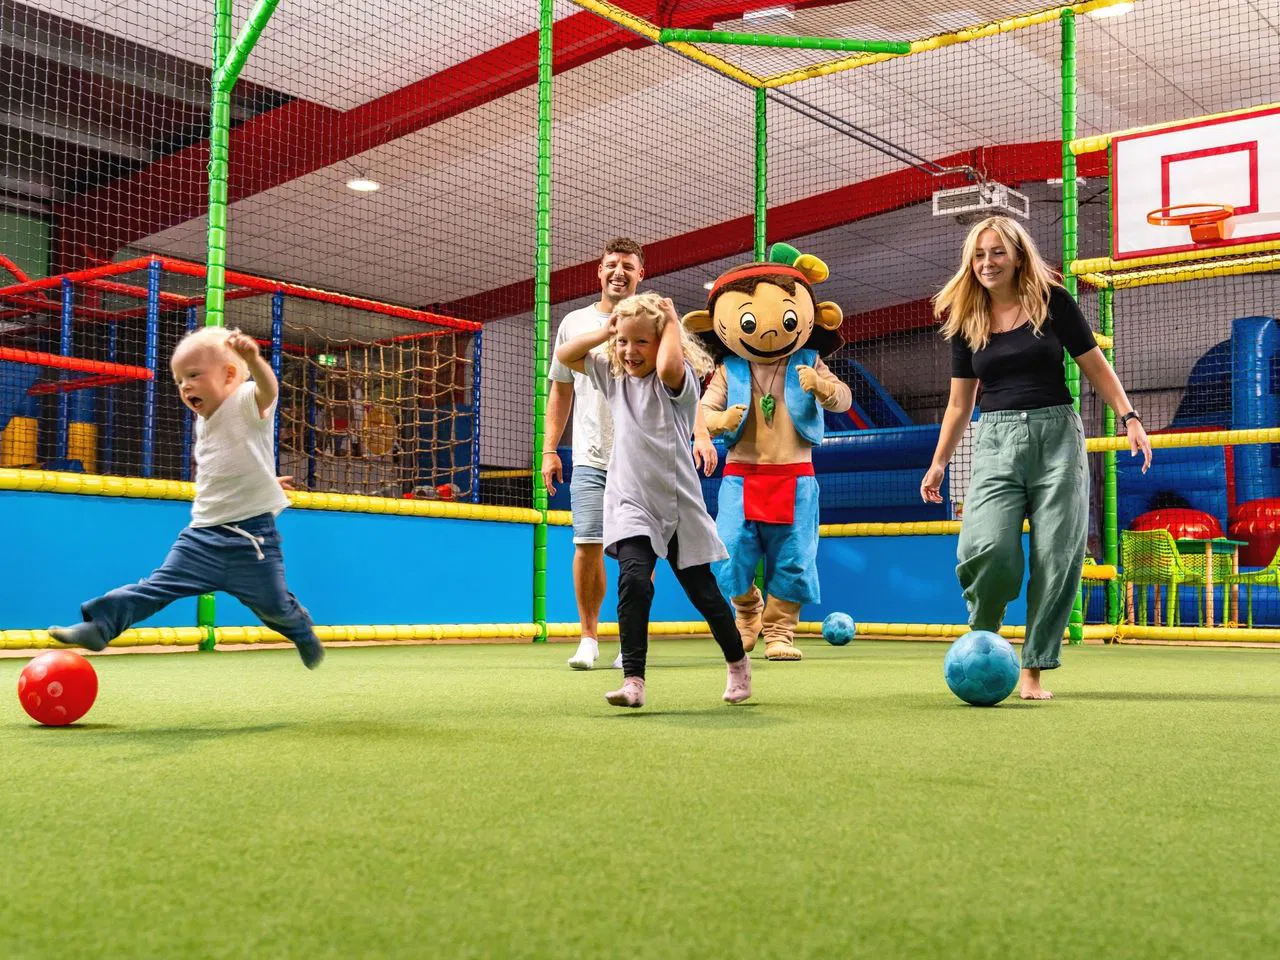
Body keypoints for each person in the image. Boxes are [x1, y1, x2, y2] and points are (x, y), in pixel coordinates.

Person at [921, 216, 1151, 700]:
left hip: (1056, 438)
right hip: (995, 441)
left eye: (997, 252)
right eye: (979, 254)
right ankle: (983, 636)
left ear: (1019, 255)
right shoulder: (967, 319)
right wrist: (940, 461)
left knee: (1057, 555)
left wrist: (1129, 416)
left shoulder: (1052, 302)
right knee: (984, 547)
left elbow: (1095, 365)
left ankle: (1033, 669)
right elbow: (960, 404)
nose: (987, 262)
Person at [49, 327, 325, 669]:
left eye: (194, 375)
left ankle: (300, 630)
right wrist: (265, 481)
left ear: (228, 376)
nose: (186, 386)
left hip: (251, 539)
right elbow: (237, 460)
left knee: (273, 605)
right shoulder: (203, 422)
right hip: (202, 538)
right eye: (180, 381)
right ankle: (99, 627)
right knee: (156, 586)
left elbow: (270, 392)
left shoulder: (244, 400)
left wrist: (253, 360)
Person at [554, 292, 751, 708]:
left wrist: (670, 322)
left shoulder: (676, 383)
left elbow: (666, 363)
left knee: (705, 595)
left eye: (641, 342)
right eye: (623, 342)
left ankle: (737, 663)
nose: (629, 351)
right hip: (630, 500)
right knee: (634, 581)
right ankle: (634, 681)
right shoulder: (613, 374)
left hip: (677, 502)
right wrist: (608, 330)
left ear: (661, 342)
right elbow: (565, 355)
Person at [543, 238, 716, 670]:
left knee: (639, 552)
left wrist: (701, 434)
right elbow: (561, 389)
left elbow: (680, 385)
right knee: (586, 543)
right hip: (591, 454)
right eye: (611, 265)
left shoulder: (654, 320)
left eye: (628, 266)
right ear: (599, 272)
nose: (618, 271)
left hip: (645, 460)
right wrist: (549, 449)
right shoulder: (575, 323)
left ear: (641, 274)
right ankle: (587, 637)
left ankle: (628, 641)